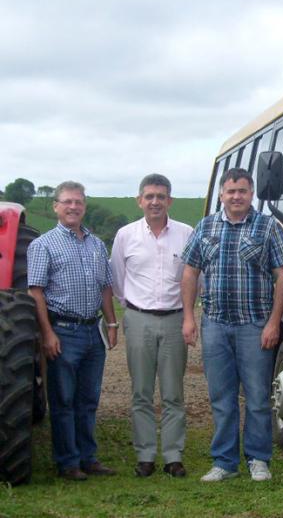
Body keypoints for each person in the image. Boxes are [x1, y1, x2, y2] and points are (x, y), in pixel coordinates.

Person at [180, 168, 283, 482]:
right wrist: (189, 317)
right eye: (231, 191)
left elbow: (282, 275)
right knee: (221, 397)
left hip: (255, 325)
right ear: (221, 195)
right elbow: (189, 272)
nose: (236, 196)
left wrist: (273, 322)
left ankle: (258, 459)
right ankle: (225, 462)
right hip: (215, 324)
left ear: (251, 193)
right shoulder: (206, 226)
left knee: (256, 397)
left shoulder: (268, 227)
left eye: (242, 190)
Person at [27, 181, 119, 480]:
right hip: (63, 331)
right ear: (56, 206)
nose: (73, 207)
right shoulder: (43, 245)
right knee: (64, 400)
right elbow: (36, 292)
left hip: (93, 332)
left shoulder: (96, 244)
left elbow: (105, 287)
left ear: (84, 206)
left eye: (78, 202)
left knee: (88, 399)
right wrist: (48, 334)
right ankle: (68, 462)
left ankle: (88, 457)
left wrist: (111, 322)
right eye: (67, 202)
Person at [110, 174, 194, 478]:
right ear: (139, 200)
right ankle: (145, 455)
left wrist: (188, 317)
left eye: (161, 196)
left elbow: (194, 278)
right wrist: (133, 308)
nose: (155, 201)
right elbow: (117, 280)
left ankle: (173, 456)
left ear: (170, 200)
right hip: (138, 318)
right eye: (149, 196)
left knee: (173, 393)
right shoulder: (125, 236)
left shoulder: (187, 234)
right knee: (141, 392)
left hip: (174, 320)